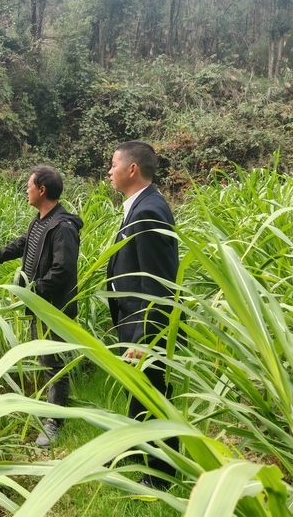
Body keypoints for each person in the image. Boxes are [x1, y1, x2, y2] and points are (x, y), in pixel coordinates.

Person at [0, 165, 83, 448]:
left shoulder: (63, 227)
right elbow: (24, 244)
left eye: (29, 185)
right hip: (39, 305)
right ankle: (52, 408)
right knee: (45, 360)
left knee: (54, 364)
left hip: (53, 308)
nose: (26, 189)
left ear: (42, 190)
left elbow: (63, 270)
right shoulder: (40, 220)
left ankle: (54, 422)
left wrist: (30, 291)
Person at [106, 140, 180, 489]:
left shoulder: (148, 210)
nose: (109, 171)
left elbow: (159, 284)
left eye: (113, 165)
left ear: (132, 169)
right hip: (132, 319)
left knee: (153, 393)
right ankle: (139, 447)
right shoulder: (141, 205)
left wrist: (145, 339)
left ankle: (161, 474)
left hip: (144, 324)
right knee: (141, 390)